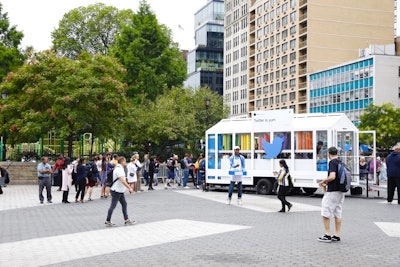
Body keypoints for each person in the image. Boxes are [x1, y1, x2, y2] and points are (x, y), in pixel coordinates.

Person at [317, 146, 345, 243]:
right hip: (341, 191)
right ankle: (337, 235)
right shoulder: (340, 162)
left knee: (325, 211)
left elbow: (332, 176)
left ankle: (327, 234)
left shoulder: (332, 162)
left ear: (329, 154)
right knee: (338, 212)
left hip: (332, 191)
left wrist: (324, 181)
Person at [105, 156, 135, 226]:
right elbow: (122, 180)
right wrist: (129, 187)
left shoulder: (119, 168)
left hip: (119, 190)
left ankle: (126, 219)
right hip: (116, 190)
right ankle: (108, 220)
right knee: (113, 205)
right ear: (122, 162)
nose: (126, 162)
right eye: (125, 161)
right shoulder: (119, 169)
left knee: (124, 204)